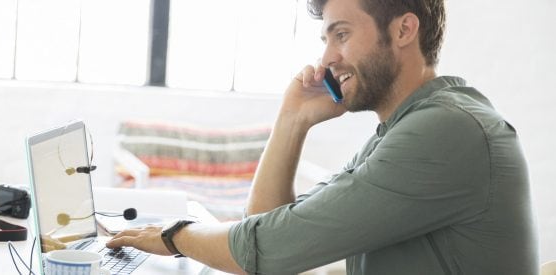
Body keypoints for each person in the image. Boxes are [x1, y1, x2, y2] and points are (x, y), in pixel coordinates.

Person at [106, 0, 538, 273]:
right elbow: (268, 232)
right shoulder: (401, 130)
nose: (327, 58)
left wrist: (175, 236)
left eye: (342, 35)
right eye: (326, 38)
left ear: (404, 30)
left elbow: (268, 249)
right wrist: (292, 120)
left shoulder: (446, 130)